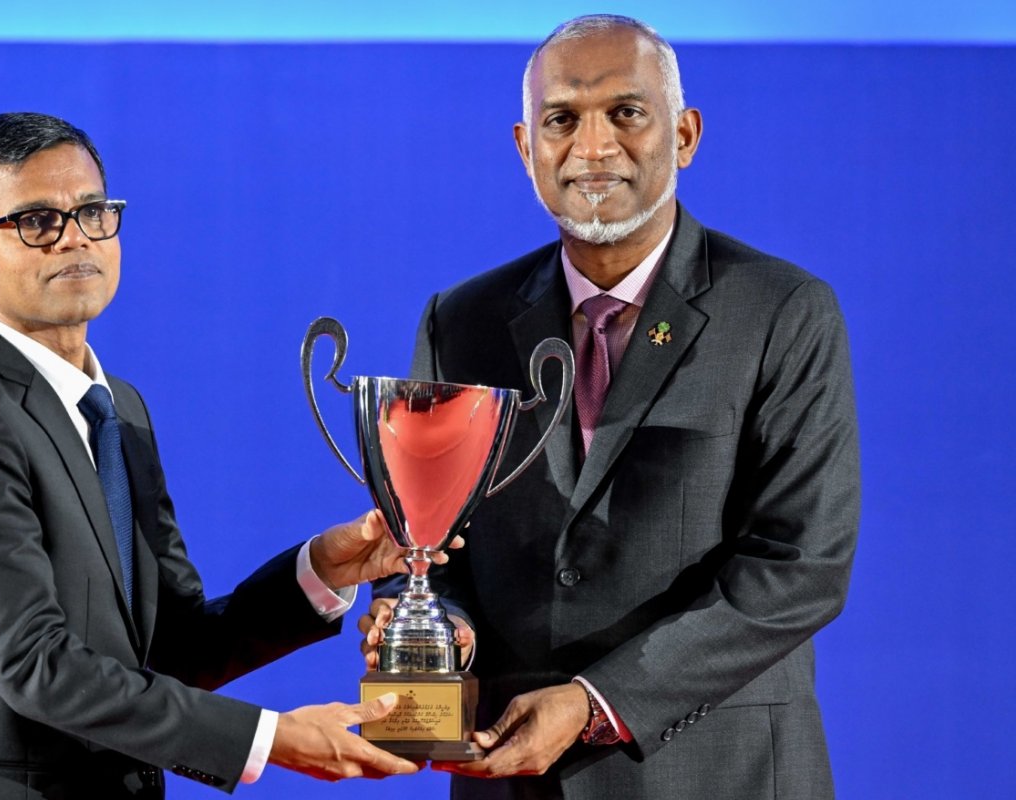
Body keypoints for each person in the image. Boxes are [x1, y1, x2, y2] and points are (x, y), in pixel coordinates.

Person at [359, 14, 860, 799]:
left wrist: (596, 703)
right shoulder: (461, 321)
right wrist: (432, 624)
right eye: (561, 119)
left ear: (685, 135)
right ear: (526, 149)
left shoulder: (782, 311)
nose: (592, 147)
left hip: (719, 775)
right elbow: (425, 541)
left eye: (626, 112)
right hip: (513, 778)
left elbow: (801, 568)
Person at [0, 112, 437, 798]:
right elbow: (37, 666)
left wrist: (320, 569)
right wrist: (270, 737)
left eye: (93, 212)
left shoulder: (120, 409)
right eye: (37, 222)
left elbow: (172, 650)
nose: (76, 238)